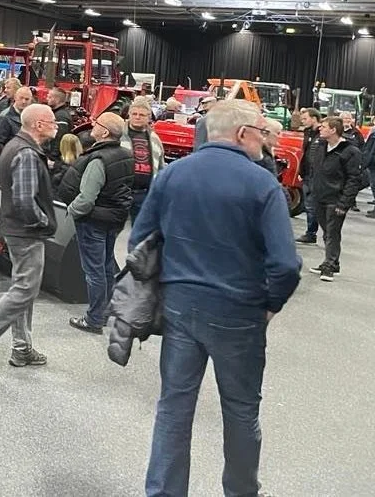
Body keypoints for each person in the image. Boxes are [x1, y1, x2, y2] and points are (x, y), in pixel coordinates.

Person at [132, 100, 301, 497]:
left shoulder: (172, 174)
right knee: (241, 412)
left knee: (173, 408)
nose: (266, 141)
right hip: (239, 314)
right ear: (242, 134)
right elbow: (286, 265)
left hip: (179, 308)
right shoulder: (263, 185)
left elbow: (140, 241)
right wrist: (271, 306)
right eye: (262, 132)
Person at [0, 103, 58, 372]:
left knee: (23, 288)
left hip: (15, 230)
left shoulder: (15, 147)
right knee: (25, 289)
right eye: (51, 120)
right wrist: (43, 223)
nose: (57, 125)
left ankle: (22, 348)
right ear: (38, 124)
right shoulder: (27, 154)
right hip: (26, 232)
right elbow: (23, 201)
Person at [57, 112, 132, 334]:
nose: (93, 126)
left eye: (97, 124)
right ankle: (106, 310)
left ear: (105, 132)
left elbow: (86, 198)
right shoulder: (126, 155)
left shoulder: (98, 159)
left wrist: (70, 211)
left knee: (94, 271)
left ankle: (94, 318)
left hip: (94, 222)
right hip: (114, 220)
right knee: (107, 266)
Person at [309, 116, 362, 281]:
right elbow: (314, 169)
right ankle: (332, 261)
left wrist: (344, 202)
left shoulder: (350, 151)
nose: (320, 129)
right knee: (326, 232)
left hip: (335, 199)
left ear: (333, 130)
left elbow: (354, 179)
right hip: (319, 196)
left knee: (332, 233)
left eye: (324, 127)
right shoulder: (320, 146)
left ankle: (329, 266)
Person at [122, 99, 166, 220]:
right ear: (129, 115)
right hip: (120, 192)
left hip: (144, 194)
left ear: (148, 117)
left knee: (140, 234)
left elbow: (161, 166)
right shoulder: (118, 135)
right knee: (111, 233)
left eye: (141, 115)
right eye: (134, 114)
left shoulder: (155, 139)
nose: (137, 117)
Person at [296, 108, 323, 244]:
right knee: (308, 205)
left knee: (312, 205)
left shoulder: (322, 133)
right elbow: (306, 154)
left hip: (316, 175)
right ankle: (311, 232)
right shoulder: (308, 132)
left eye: (305, 118)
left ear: (314, 118)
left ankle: (312, 233)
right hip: (307, 173)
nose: (303, 121)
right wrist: (302, 171)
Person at [0, 87, 35, 160]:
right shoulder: (5, 117)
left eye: (27, 99)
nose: (24, 101)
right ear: (15, 98)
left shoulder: (30, 116)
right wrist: (10, 158)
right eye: (21, 98)